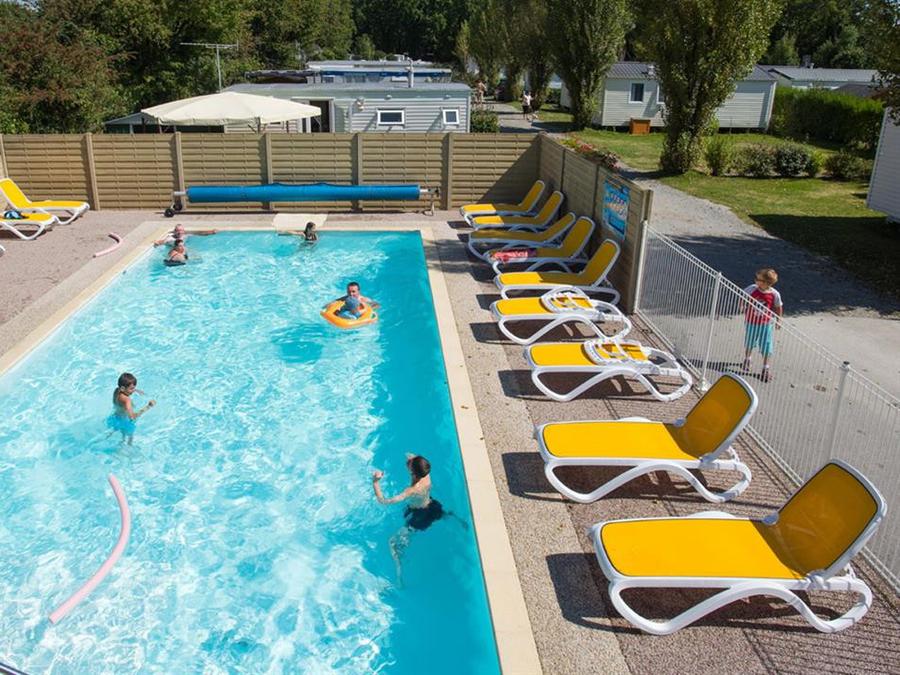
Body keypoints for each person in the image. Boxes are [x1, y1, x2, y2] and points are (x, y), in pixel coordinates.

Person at [372, 454, 464, 582]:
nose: (409, 460)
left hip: (418, 517)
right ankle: (460, 523)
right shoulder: (426, 474)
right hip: (432, 506)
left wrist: (376, 482)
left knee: (392, 544)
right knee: (443, 514)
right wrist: (412, 459)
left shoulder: (411, 490)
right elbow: (412, 456)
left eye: (410, 463)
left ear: (413, 473)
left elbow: (384, 501)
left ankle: (399, 576)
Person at [743, 268, 783, 382]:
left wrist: (779, 320)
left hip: (766, 324)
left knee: (766, 344)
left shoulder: (774, 294)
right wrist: (742, 305)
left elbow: (778, 307)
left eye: (758, 279)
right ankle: (747, 358)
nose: (755, 280)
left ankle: (766, 367)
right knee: (749, 341)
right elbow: (742, 295)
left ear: (766, 283)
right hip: (751, 322)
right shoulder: (752, 289)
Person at [107, 372, 155, 445]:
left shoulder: (116, 391)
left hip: (115, 418)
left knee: (115, 437)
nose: (133, 390)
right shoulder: (127, 400)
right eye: (131, 388)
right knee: (128, 441)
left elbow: (124, 390)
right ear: (123, 388)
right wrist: (148, 406)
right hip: (124, 422)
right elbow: (132, 417)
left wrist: (136, 390)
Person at [153, 224, 218, 247]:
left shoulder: (185, 235)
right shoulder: (171, 238)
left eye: (181, 230)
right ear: (175, 231)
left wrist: (211, 232)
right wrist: (157, 242)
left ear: (183, 231)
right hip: (174, 250)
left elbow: (199, 233)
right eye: (178, 230)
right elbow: (163, 241)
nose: (179, 232)